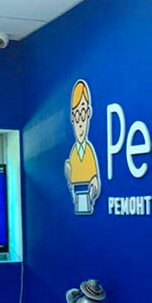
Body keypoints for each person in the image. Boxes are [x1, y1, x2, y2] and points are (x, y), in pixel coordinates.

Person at [64, 80, 100, 215]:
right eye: (77, 116)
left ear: (89, 113)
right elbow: (70, 179)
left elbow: (95, 180)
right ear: (72, 118)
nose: (80, 123)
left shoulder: (89, 152)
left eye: (83, 114)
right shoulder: (73, 153)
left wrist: (93, 191)